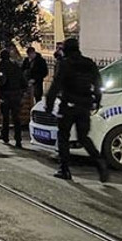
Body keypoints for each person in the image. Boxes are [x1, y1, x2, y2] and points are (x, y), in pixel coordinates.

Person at [45, 38, 109, 182]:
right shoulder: (89, 63)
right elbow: (98, 84)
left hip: (68, 105)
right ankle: (99, 162)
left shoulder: (65, 64)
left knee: (63, 137)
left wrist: (49, 105)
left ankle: (64, 169)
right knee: (83, 137)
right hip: (84, 105)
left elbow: (56, 85)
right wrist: (96, 101)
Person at [0, 49, 27, 148]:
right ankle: (18, 140)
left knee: (5, 117)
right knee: (16, 118)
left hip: (6, 95)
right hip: (16, 95)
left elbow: (2, 82)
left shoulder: (2, 66)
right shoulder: (15, 66)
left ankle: (5, 136)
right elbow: (23, 82)